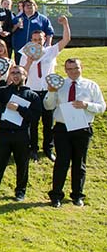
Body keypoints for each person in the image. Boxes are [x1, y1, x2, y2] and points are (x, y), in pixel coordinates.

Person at [44, 58, 105, 207]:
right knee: (61, 162)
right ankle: (56, 195)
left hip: (82, 128)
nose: (73, 72)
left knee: (79, 163)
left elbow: (102, 107)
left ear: (81, 68)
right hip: (62, 128)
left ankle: (77, 195)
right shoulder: (59, 84)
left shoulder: (91, 86)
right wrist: (51, 93)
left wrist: (86, 105)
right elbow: (48, 105)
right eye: (69, 69)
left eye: (76, 68)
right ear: (65, 70)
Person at [0, 65, 41, 202]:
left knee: (22, 165)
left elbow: (35, 118)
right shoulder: (3, 92)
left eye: (18, 73)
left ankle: (20, 192)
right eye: (13, 73)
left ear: (25, 75)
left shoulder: (32, 95)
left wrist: (19, 108)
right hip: (4, 133)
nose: (15, 75)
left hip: (22, 134)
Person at [20, 16, 71, 162]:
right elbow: (22, 73)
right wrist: (29, 62)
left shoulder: (50, 51)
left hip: (48, 91)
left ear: (44, 39)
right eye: (34, 40)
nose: (37, 42)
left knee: (48, 122)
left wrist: (65, 24)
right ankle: (33, 149)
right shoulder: (26, 53)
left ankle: (48, 149)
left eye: (40, 39)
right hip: (32, 91)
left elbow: (66, 40)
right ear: (31, 40)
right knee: (33, 123)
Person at [11, 0, 54, 64]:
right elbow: (10, 31)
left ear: (35, 7)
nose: (29, 7)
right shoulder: (17, 19)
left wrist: (48, 45)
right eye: (27, 5)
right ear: (23, 8)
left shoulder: (43, 19)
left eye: (32, 5)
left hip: (37, 50)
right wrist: (16, 26)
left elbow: (49, 33)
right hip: (20, 50)